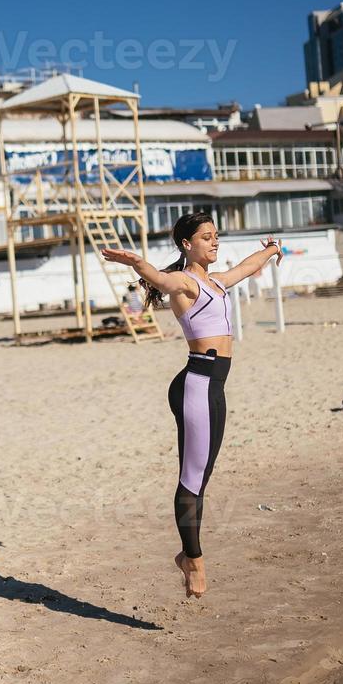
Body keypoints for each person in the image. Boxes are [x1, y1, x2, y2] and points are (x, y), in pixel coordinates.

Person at [102, 213, 283, 598]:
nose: (214, 242)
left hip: (212, 387)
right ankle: (193, 561)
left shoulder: (214, 282)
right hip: (197, 385)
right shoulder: (184, 282)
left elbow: (246, 268)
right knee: (192, 480)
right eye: (206, 237)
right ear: (187, 244)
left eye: (216, 236)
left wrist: (269, 250)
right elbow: (162, 280)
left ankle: (189, 555)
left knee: (201, 477)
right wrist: (137, 263)